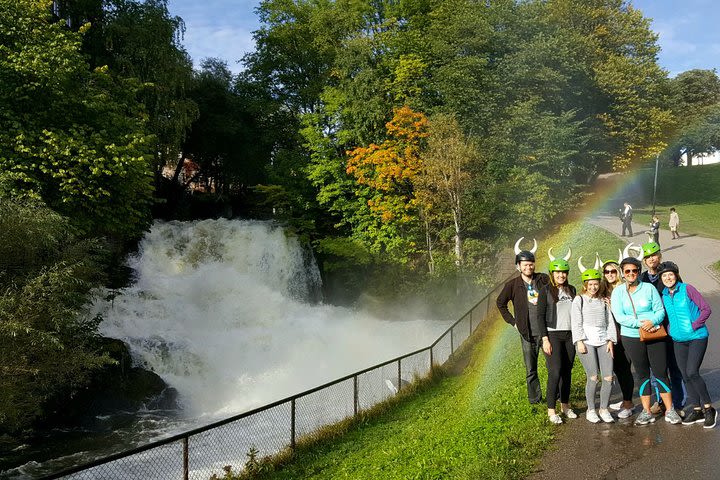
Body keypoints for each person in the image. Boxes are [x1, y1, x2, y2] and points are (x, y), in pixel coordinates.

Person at [611, 256, 682, 425]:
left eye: (634, 270)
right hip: (632, 337)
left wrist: (653, 322)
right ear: (622, 273)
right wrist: (641, 324)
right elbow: (619, 316)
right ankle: (646, 411)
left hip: (655, 334)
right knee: (643, 375)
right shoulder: (618, 292)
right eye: (627, 271)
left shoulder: (649, 288)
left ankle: (670, 410)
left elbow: (660, 310)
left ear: (638, 271)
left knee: (661, 373)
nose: (631, 273)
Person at [658, 261, 716, 428]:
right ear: (662, 279)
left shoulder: (687, 289)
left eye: (670, 274)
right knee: (684, 374)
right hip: (678, 340)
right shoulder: (664, 295)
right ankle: (697, 409)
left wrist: (694, 325)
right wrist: (670, 329)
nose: (668, 277)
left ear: (676, 275)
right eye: (664, 275)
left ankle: (708, 409)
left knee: (693, 372)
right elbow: (667, 316)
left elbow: (706, 309)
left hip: (697, 336)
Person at [497, 238, 550, 404]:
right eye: (525, 264)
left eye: (531, 264)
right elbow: (500, 303)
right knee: (531, 369)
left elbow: (556, 293)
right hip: (527, 333)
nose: (529, 267)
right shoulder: (512, 285)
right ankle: (535, 399)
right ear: (518, 266)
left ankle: (554, 396)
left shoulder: (543, 280)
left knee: (552, 367)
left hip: (546, 332)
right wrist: (513, 322)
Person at [640, 242, 685, 412]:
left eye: (654, 255)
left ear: (659, 256)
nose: (651, 259)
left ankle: (679, 403)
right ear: (644, 260)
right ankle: (660, 401)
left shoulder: (667, 274)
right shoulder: (642, 278)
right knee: (656, 369)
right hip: (653, 329)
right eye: (647, 257)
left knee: (675, 368)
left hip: (671, 327)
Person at [572, 266, 617, 423]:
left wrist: (611, 340)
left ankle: (604, 409)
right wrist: (579, 341)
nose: (593, 287)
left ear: (599, 284)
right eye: (590, 284)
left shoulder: (603, 301)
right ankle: (591, 409)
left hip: (603, 341)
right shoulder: (579, 300)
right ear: (585, 284)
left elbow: (610, 321)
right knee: (592, 377)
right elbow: (576, 322)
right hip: (587, 342)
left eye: (596, 284)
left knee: (609, 377)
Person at [538, 255, 577, 424]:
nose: (561, 275)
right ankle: (551, 410)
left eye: (563, 272)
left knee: (567, 371)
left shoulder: (572, 290)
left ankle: (565, 405)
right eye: (557, 272)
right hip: (553, 334)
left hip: (570, 335)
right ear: (552, 274)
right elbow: (539, 317)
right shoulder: (545, 291)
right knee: (555, 371)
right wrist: (545, 339)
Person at [599, 256, 634, 419]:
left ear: (618, 272)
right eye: (607, 271)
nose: (610, 274)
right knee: (619, 369)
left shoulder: (625, 288)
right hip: (611, 336)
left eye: (613, 271)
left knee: (625, 369)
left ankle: (628, 404)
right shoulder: (602, 290)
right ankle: (625, 400)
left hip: (626, 334)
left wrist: (613, 307)